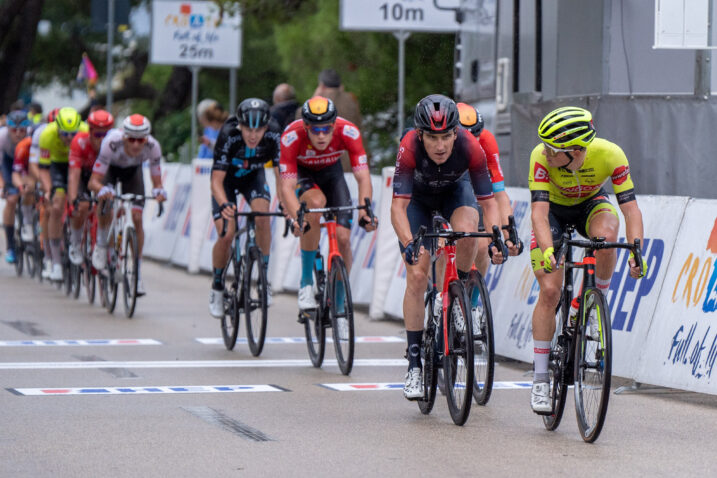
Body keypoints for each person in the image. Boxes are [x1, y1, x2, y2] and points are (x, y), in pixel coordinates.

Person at [528, 106, 647, 413]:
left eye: (554, 149)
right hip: (552, 211)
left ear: (577, 151)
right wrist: (548, 250)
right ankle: (541, 377)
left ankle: (594, 302)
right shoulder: (540, 158)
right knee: (551, 290)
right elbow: (539, 214)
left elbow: (631, 210)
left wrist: (636, 250)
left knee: (608, 238)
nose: (546, 153)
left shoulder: (611, 155)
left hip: (589, 205)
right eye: (545, 146)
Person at [390, 94, 505, 400]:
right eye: (431, 137)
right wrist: (408, 244)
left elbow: (488, 203)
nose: (440, 146)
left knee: (468, 231)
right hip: (418, 201)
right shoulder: (408, 147)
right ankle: (414, 366)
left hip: (455, 192)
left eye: (446, 137)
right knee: (416, 276)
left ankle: (457, 294)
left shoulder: (470, 146)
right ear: (420, 134)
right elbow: (397, 209)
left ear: (457, 132)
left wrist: (495, 237)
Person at [279, 96, 376, 312]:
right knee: (314, 204)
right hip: (304, 175)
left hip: (333, 175)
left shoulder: (349, 131)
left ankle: (340, 303)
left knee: (343, 238)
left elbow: (363, 177)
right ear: (306, 127)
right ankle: (305, 283)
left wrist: (365, 210)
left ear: (334, 125)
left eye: (326, 129)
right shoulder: (291, 136)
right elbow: (286, 187)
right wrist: (297, 217)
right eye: (315, 130)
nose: (321, 135)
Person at [208, 98, 282, 318]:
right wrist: (224, 203)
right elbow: (216, 181)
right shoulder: (229, 133)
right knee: (226, 233)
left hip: (254, 179)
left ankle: (263, 280)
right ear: (240, 125)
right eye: (248, 129)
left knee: (263, 218)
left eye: (259, 130)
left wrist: (288, 205)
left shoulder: (275, 134)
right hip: (226, 183)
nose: (253, 135)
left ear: (266, 127)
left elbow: (282, 177)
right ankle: (218, 285)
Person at [89, 114, 166, 296]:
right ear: (124, 137)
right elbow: (94, 181)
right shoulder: (110, 144)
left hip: (133, 174)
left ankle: (137, 274)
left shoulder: (153, 147)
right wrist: (101, 190)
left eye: (141, 140)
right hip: (110, 171)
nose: (136, 145)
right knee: (106, 200)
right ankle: (101, 244)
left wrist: (159, 191)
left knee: (138, 217)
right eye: (131, 139)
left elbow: (157, 182)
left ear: (146, 139)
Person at [457, 102, 522, 278]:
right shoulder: (441, 148)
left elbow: (499, 196)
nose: (472, 143)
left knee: (484, 245)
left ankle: (473, 299)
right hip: (446, 187)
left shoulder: (487, 141)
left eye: (476, 136)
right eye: (466, 139)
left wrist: (508, 236)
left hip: (473, 186)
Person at [38, 107, 88, 280]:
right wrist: (49, 190)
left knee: (81, 202)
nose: (68, 138)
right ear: (56, 128)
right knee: (57, 204)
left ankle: (77, 241)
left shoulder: (85, 132)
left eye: (72, 134)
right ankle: (56, 262)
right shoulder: (47, 135)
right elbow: (43, 169)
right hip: (57, 167)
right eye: (64, 134)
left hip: (78, 166)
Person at [66, 110, 114, 265]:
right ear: (90, 131)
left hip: (102, 175)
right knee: (82, 206)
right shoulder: (79, 142)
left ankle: (101, 244)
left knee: (105, 202)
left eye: (105, 135)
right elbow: (74, 174)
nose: (102, 140)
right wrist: (74, 201)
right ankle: (75, 242)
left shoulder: (113, 143)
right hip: (83, 174)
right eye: (97, 135)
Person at [0, 110, 31, 263]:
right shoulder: (2, 138)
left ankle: (31, 225)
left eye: (22, 130)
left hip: (26, 162)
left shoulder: (32, 137)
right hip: (7, 162)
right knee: (11, 200)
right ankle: (11, 246)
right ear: (8, 129)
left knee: (30, 191)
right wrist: (2, 186)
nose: (18, 134)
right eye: (14, 130)